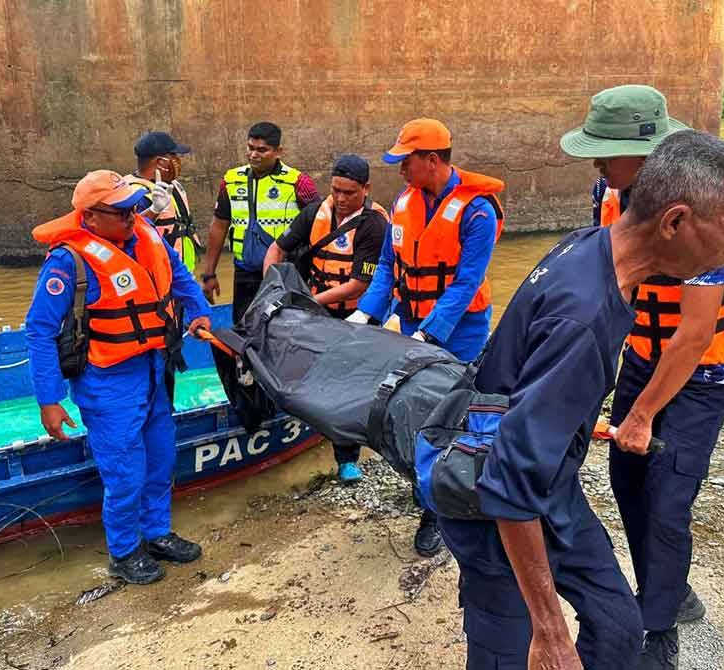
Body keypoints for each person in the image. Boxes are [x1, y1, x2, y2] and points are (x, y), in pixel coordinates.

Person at [438, 130, 724, 670]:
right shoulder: (582, 322)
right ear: (674, 222)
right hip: (493, 497)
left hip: (547, 482)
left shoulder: (590, 246)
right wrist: (551, 630)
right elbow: (508, 482)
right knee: (511, 651)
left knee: (618, 629)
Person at [561, 85, 724, 669]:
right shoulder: (614, 194)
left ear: (644, 152)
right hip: (644, 354)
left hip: (705, 367)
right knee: (627, 476)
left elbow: (695, 334)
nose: (596, 163)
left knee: (669, 498)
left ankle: (659, 628)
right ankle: (667, 584)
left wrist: (642, 412)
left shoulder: (707, 210)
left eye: (604, 151)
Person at [25, 170, 213, 586]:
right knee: (124, 471)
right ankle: (125, 553)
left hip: (151, 367)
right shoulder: (68, 261)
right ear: (91, 217)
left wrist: (198, 308)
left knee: (160, 457)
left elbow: (177, 273)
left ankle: (157, 533)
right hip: (107, 380)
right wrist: (49, 400)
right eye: (122, 211)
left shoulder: (144, 234)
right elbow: (39, 330)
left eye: (134, 208)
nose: (133, 216)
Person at [347, 118, 503, 557]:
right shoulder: (403, 204)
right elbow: (387, 268)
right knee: (408, 408)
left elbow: (466, 283)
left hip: (460, 329)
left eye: (406, 162)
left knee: (450, 413)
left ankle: (438, 510)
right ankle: (424, 481)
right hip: (411, 319)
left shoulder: (477, 211)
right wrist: (366, 313)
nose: (400, 171)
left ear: (431, 160)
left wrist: (430, 335)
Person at [261, 154, 388, 484]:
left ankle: (347, 457)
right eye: (336, 191)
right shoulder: (317, 210)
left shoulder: (374, 224)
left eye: (350, 192)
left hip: (357, 316)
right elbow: (278, 248)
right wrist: (271, 285)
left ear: (366, 189)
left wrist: (306, 302)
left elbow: (360, 284)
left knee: (347, 383)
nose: (342, 200)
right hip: (316, 309)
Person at [200, 122, 320, 321]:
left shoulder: (298, 182)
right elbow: (219, 225)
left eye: (262, 150)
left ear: (278, 151)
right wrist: (209, 274)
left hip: (285, 273)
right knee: (243, 330)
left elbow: (318, 224)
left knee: (284, 332)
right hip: (245, 272)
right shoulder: (231, 180)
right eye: (250, 148)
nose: (253, 154)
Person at [124, 131, 201, 274]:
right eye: (173, 156)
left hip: (182, 274)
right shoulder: (136, 193)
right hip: (160, 274)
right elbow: (130, 234)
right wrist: (154, 209)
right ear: (160, 162)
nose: (177, 161)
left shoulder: (172, 186)